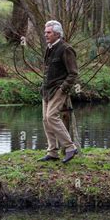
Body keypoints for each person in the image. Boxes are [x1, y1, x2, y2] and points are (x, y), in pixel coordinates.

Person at [38, 20, 78, 163]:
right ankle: (52, 152)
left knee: (51, 117)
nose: (45, 35)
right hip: (46, 89)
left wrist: (63, 89)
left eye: (48, 32)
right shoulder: (49, 48)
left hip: (58, 89)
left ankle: (70, 147)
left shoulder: (66, 49)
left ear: (57, 33)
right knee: (45, 119)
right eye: (45, 32)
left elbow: (73, 73)